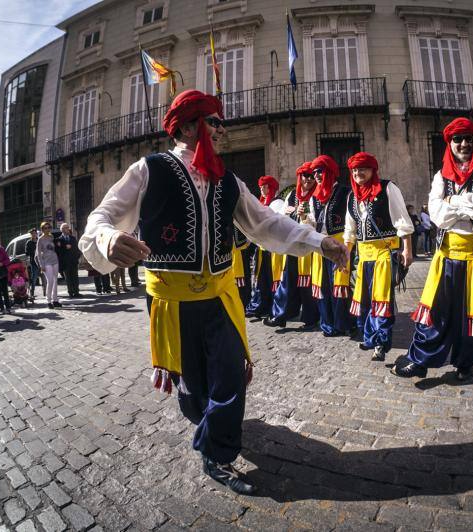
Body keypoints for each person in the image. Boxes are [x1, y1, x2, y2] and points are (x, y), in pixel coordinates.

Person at [78, 90, 348, 495]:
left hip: (220, 296)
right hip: (171, 299)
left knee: (230, 377)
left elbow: (266, 223)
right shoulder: (148, 169)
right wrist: (108, 237)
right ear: (188, 126)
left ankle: (217, 453)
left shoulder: (228, 179)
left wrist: (317, 242)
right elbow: (100, 216)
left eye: (222, 122)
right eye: (215, 122)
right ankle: (204, 416)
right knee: (192, 388)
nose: (223, 129)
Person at [393, 118, 473, 379]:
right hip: (447, 256)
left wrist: (451, 202)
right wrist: (465, 206)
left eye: (468, 139)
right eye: (457, 139)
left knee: (472, 314)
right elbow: (438, 217)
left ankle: (466, 362)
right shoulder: (441, 176)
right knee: (435, 312)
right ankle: (420, 360)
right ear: (449, 144)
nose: (463, 143)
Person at [344, 152, 414, 361]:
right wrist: (345, 256)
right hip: (363, 257)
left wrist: (407, 249)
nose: (358, 172)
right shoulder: (352, 198)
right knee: (364, 301)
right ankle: (370, 337)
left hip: (384, 255)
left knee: (381, 300)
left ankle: (381, 344)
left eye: (363, 168)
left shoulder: (387, 188)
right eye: (355, 169)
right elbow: (350, 231)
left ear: (373, 170)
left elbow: (402, 219)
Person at [263, 162, 320, 330]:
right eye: (305, 176)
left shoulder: (317, 195)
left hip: (309, 245)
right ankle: (280, 315)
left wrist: (303, 215)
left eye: (311, 176)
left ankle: (310, 319)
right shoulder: (291, 196)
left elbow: (317, 221)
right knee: (287, 280)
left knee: (307, 283)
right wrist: (286, 212)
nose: (309, 180)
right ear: (299, 177)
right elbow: (280, 216)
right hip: (292, 244)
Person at [310, 154, 353, 337]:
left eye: (320, 171)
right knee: (323, 284)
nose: (317, 176)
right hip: (321, 244)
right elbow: (312, 222)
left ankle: (343, 324)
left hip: (340, 243)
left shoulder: (345, 192)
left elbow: (351, 220)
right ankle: (327, 322)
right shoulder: (314, 197)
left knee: (341, 284)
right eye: (314, 173)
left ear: (329, 171)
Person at [245, 175, 285, 319]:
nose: (261, 189)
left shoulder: (277, 202)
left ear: (271, 187)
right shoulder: (261, 202)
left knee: (274, 281)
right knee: (262, 281)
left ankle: (274, 309)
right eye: (261, 186)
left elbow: (274, 223)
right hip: (262, 248)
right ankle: (261, 306)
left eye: (265, 186)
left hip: (273, 249)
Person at [36, 222, 61, 309]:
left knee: (55, 281)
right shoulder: (40, 239)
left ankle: (55, 300)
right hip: (46, 262)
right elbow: (38, 254)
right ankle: (48, 300)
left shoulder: (51, 237)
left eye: (48, 227)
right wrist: (41, 265)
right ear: (42, 229)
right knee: (50, 281)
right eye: (45, 228)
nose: (47, 229)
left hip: (55, 260)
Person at [58, 223, 81, 297]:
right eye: (65, 228)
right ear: (61, 230)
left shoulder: (73, 238)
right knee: (68, 278)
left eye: (67, 227)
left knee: (75, 277)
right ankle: (70, 292)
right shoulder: (59, 239)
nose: (67, 229)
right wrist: (65, 247)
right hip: (65, 263)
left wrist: (77, 257)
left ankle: (76, 292)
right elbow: (59, 251)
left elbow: (77, 249)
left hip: (73, 261)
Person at [25, 227, 44, 300]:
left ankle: (46, 293)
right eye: (32, 234)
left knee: (44, 278)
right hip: (34, 262)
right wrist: (33, 252)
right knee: (34, 278)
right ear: (31, 235)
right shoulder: (29, 242)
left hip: (42, 261)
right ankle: (32, 293)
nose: (34, 235)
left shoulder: (39, 241)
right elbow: (27, 253)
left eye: (35, 233)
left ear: (37, 234)